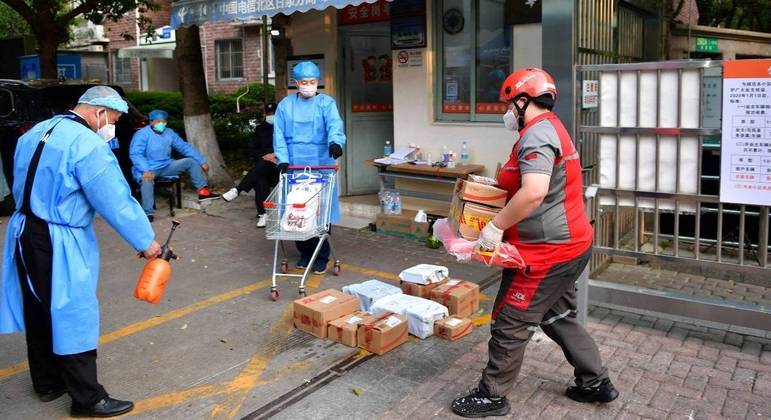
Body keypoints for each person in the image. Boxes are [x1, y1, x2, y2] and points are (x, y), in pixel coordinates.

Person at [451, 68, 618, 418]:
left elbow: (535, 192)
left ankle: (492, 395)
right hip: (569, 244)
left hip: (547, 252)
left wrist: (494, 228)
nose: (507, 111)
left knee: (510, 320)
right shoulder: (549, 128)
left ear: (524, 100)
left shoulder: (537, 137)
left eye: (510, 104)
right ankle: (595, 381)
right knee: (558, 314)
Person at [0, 86, 162, 418]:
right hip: (58, 235)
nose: (112, 127)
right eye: (114, 119)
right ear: (99, 112)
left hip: (22, 231)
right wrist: (146, 242)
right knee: (74, 312)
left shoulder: (35, 132)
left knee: (39, 307)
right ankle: (87, 398)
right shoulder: (87, 145)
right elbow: (115, 200)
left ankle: (47, 383)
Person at [273, 61, 345, 274]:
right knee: (298, 210)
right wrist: (283, 160)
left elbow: (335, 125)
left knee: (321, 210)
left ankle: (321, 256)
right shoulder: (285, 106)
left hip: (321, 163)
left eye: (312, 81)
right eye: (304, 82)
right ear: (296, 83)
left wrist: (335, 143)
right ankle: (305, 252)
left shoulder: (326, 103)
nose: (308, 85)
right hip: (295, 165)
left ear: (318, 82)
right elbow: (278, 135)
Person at [130, 109, 220, 222]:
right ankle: (148, 213)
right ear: (151, 122)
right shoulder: (141, 134)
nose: (161, 123)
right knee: (146, 180)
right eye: (158, 121)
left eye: (164, 121)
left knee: (190, 161)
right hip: (149, 168)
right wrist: (145, 169)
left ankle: (203, 191)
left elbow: (184, 147)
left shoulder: (169, 133)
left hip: (166, 165)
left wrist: (201, 161)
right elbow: (136, 154)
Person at [222, 103, 280, 228]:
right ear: (265, 114)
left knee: (261, 170)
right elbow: (253, 150)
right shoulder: (260, 129)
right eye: (269, 114)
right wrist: (264, 156)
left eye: (273, 113)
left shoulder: (284, 127)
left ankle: (238, 190)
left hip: (280, 167)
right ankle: (263, 214)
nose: (271, 116)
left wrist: (275, 155)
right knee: (260, 179)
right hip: (264, 166)